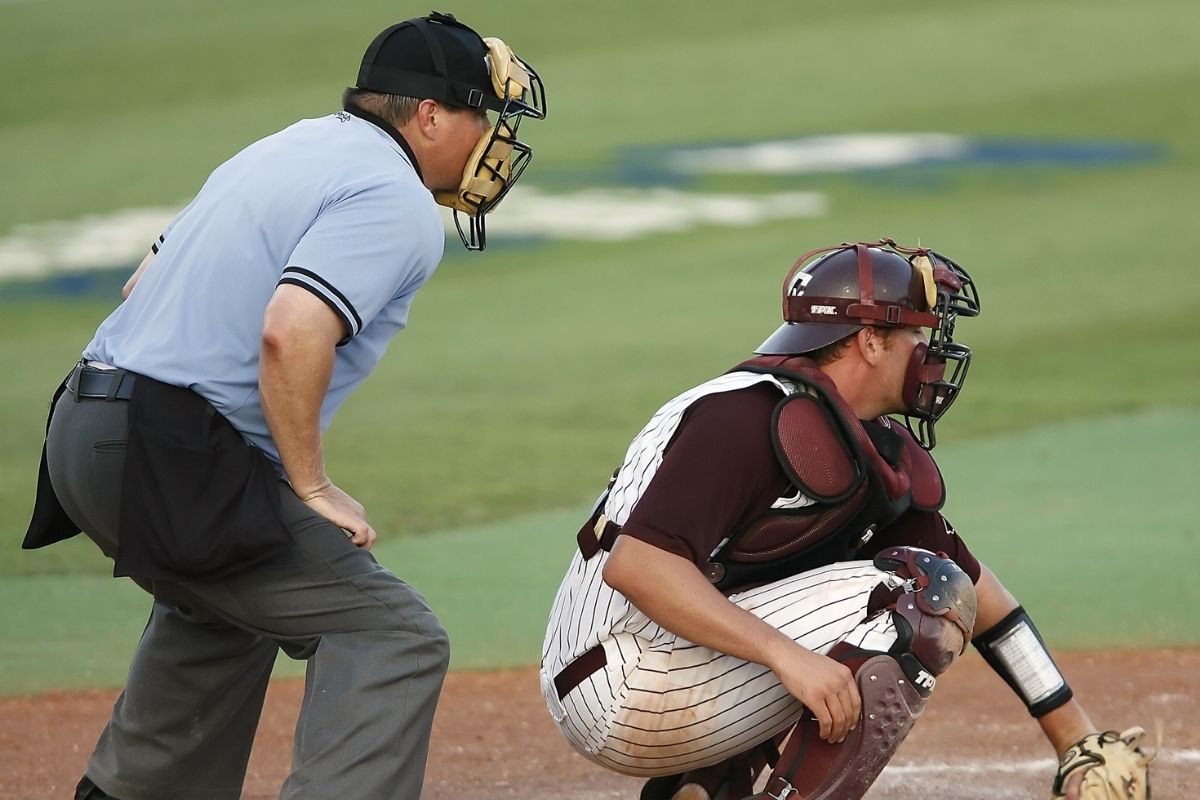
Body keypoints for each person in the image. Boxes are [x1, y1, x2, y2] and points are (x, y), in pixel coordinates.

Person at [22, 11, 546, 800]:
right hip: (164, 444)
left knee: (228, 613)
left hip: (84, 426)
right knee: (392, 636)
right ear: (431, 115)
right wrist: (309, 484)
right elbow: (290, 330)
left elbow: (144, 279)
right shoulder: (394, 196)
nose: (491, 140)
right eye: (483, 116)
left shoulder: (290, 147)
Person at [541, 239, 1150, 800]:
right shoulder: (745, 418)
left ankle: (705, 782)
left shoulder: (852, 437)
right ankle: (716, 767)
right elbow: (639, 566)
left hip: (660, 664)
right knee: (913, 598)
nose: (931, 354)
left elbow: (976, 588)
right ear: (869, 341)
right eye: (919, 334)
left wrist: (1074, 737)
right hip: (614, 674)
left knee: (931, 583)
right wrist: (788, 656)